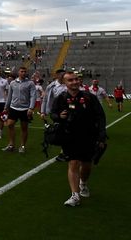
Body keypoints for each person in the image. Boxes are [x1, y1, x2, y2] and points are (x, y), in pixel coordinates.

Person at [50, 71, 107, 207]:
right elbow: (53, 113)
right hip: (69, 136)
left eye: (76, 79)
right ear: (65, 83)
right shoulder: (61, 98)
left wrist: (101, 134)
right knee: (73, 163)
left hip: (89, 136)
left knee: (86, 165)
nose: (75, 82)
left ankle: (83, 183)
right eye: (70, 80)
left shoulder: (89, 97)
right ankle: (75, 195)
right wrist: (59, 117)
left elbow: (100, 116)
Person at [1, 66, 37, 153]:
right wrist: (6, 107)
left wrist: (31, 108)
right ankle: (11, 145)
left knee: (24, 128)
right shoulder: (13, 83)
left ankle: (22, 146)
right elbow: (10, 96)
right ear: (18, 72)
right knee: (10, 125)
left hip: (25, 109)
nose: (23, 73)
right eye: (22, 71)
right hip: (14, 108)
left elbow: (33, 96)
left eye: (25, 71)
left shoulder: (30, 83)